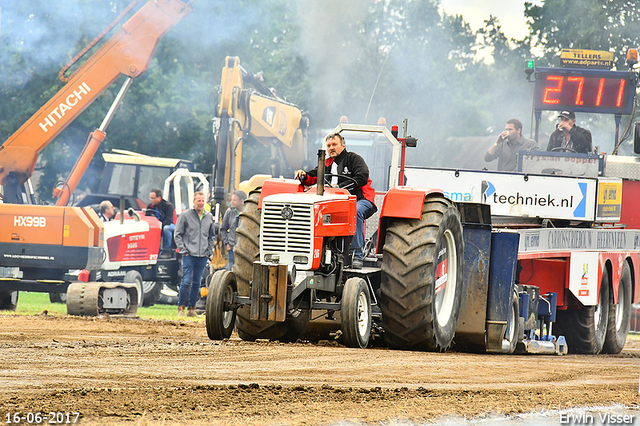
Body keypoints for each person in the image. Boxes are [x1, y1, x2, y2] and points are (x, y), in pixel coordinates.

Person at [294, 132, 377, 269]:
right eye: (328, 145)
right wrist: (303, 175)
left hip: (360, 199)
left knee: (355, 211)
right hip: (335, 202)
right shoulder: (326, 164)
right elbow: (312, 177)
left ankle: (357, 253)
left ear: (343, 145)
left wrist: (339, 187)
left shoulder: (354, 159)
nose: (331, 148)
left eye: (334, 144)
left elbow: (362, 177)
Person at [173, 191, 216, 317]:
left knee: (197, 282)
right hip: (189, 254)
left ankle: (192, 309)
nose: (201, 203)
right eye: (199, 201)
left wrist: (209, 251)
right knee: (186, 281)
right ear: (194, 202)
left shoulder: (208, 216)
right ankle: (181, 308)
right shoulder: (186, 215)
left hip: (202, 255)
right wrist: (183, 250)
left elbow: (211, 236)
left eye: (203, 201)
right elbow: (177, 234)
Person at [220, 190, 247, 271]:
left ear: (242, 201)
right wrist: (227, 244)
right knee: (231, 269)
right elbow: (223, 229)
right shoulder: (230, 212)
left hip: (244, 249)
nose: (232, 202)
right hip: (232, 247)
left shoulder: (248, 213)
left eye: (234, 200)